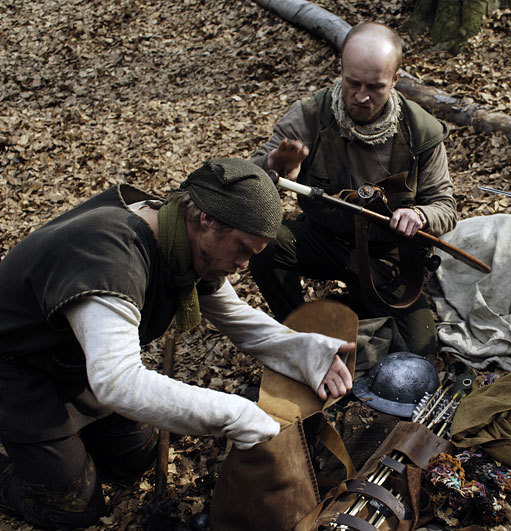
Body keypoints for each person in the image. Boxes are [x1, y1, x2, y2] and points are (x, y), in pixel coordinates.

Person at [0, 158, 355, 529]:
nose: (243, 265)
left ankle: (61, 447)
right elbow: (117, 381)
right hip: (19, 370)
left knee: (136, 458)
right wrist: (236, 415)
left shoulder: (181, 241)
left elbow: (236, 317)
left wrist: (304, 350)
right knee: (72, 509)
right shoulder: (112, 257)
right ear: (207, 219)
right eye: (242, 249)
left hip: (77, 361)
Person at [249, 22, 458, 358]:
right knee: (266, 244)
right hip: (323, 240)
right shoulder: (311, 115)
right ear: (341, 70)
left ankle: (354, 306)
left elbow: (445, 206)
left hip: (384, 259)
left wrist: (419, 215)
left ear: (396, 79)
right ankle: (301, 336)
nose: (361, 96)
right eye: (352, 83)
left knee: (420, 354)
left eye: (375, 87)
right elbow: (249, 181)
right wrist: (274, 163)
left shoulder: (421, 132)